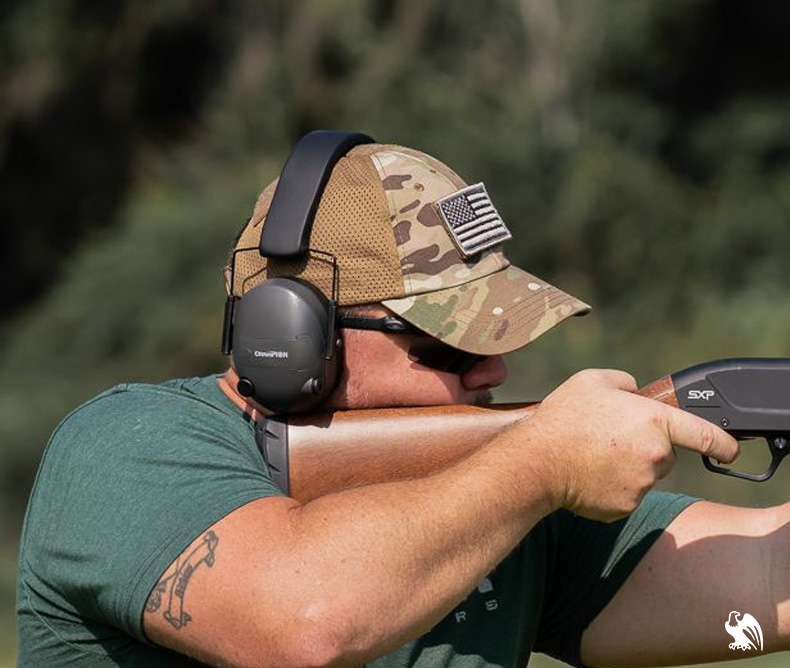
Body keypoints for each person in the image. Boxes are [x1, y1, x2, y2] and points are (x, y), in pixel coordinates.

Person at [15, 136, 789, 668]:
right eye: (450, 345)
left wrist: (535, 475)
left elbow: (761, 585)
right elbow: (307, 625)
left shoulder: (506, 505)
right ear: (288, 337)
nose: (492, 371)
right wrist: (541, 464)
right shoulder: (125, 447)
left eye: (502, 337)